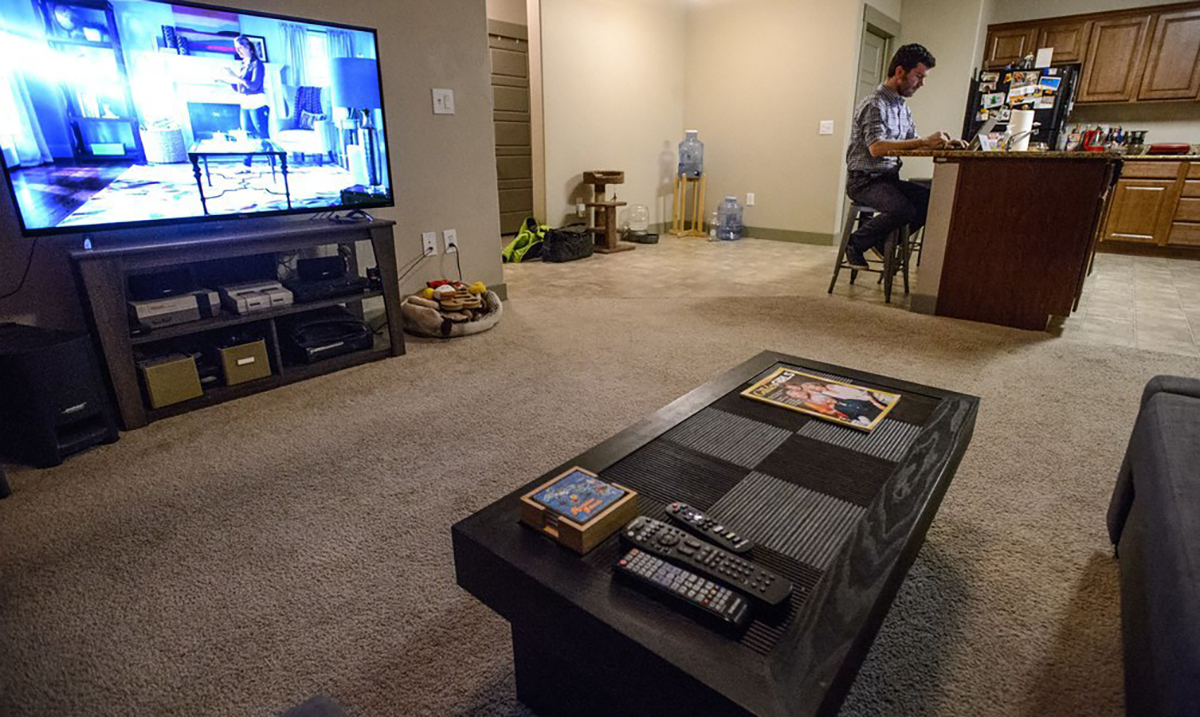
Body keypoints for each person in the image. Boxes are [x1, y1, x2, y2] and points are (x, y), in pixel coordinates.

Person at [843, 43, 966, 269]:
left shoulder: (902, 107)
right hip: (863, 181)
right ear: (900, 72)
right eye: (918, 76)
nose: (922, 83)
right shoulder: (875, 104)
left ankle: (879, 242)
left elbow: (913, 145)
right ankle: (855, 244)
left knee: (931, 201)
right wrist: (923, 141)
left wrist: (945, 145)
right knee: (903, 210)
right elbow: (876, 148)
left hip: (888, 180)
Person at [224, 35, 269, 167]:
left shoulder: (257, 64)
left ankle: (272, 160)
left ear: (248, 47)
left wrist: (236, 77)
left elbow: (254, 85)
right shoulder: (243, 66)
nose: (238, 51)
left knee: (262, 133)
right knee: (246, 133)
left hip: (257, 102)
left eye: (241, 48)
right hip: (245, 102)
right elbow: (240, 88)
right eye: (237, 49)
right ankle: (247, 162)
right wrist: (227, 80)